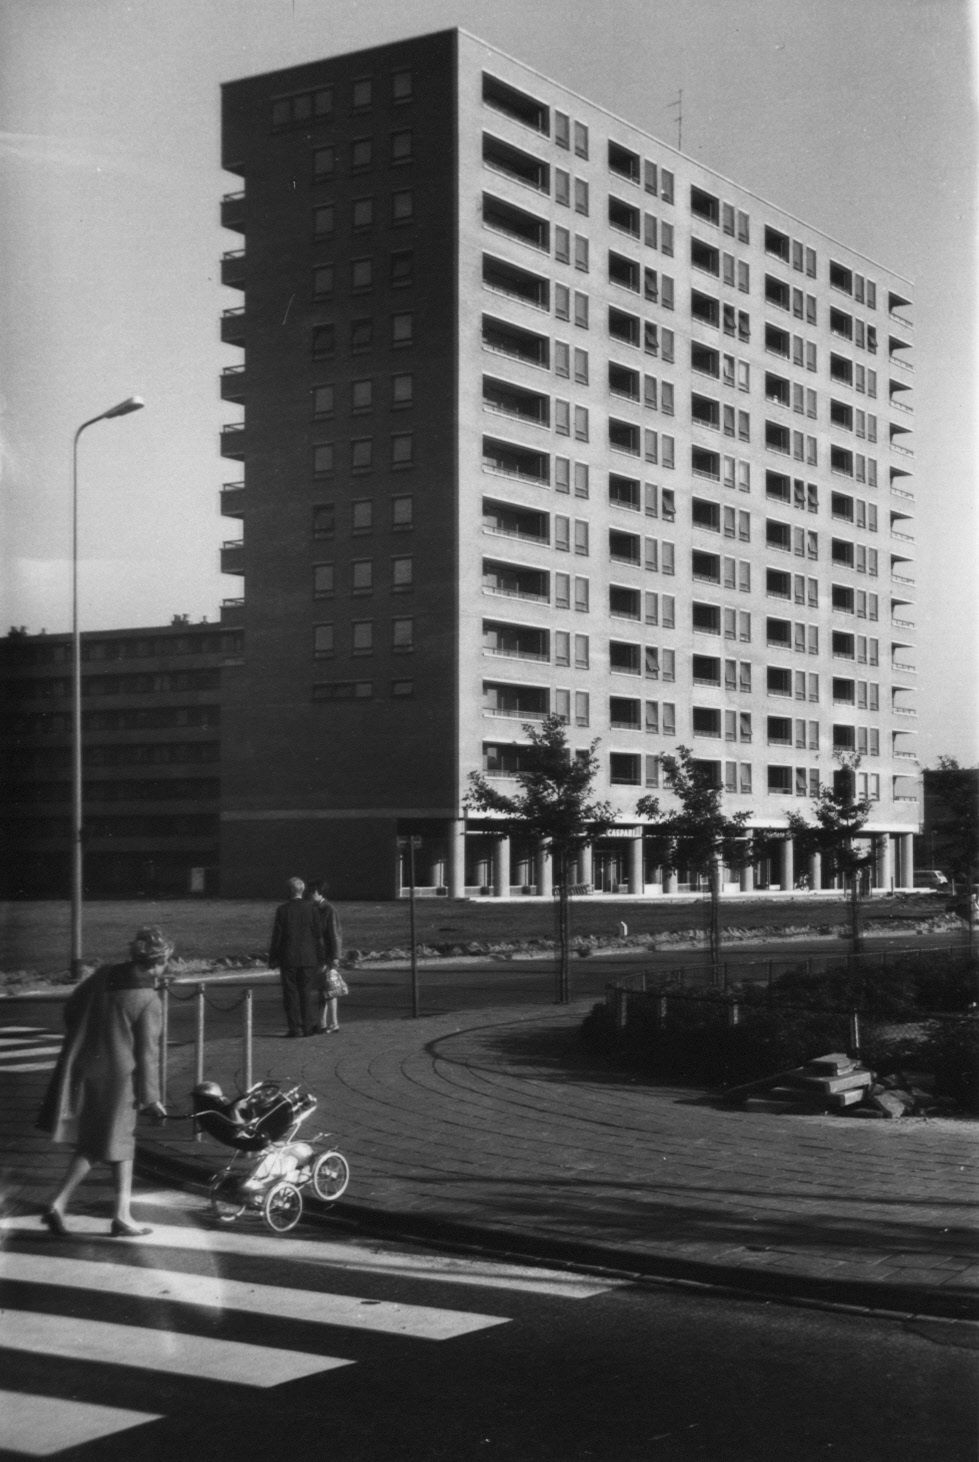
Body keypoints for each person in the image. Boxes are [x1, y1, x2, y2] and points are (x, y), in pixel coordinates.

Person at [37, 926, 170, 1238]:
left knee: (110, 1143)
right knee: (110, 1142)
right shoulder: (148, 1000)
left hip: (85, 1067)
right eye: (166, 962)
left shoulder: (104, 975)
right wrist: (152, 1098)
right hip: (120, 1080)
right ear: (156, 963)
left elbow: (71, 1009)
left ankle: (110, 1212)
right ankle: (79, 1206)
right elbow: (147, 1054)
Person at [268, 876, 325, 1037]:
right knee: (306, 993)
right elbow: (318, 934)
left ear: (289, 891)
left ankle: (294, 1028)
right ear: (302, 890)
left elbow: (277, 936)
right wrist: (321, 957)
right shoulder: (312, 908)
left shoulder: (283, 910)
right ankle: (308, 1026)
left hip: (289, 957)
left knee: (290, 994)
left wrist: (273, 957)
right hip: (308, 957)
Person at [308, 878, 346, 1033]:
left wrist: (335, 957)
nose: (310, 895)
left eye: (312, 892)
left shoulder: (328, 910)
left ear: (319, 893)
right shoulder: (318, 908)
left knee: (329, 989)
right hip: (319, 955)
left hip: (326, 956)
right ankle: (323, 1022)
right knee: (324, 989)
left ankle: (332, 1023)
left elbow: (335, 934)